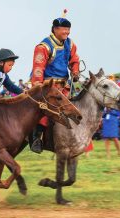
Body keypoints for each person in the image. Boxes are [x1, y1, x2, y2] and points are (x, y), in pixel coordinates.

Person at [30, 10, 80, 153]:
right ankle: (36, 138)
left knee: (74, 108)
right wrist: (38, 88)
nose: (67, 32)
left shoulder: (70, 44)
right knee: (47, 111)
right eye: (64, 29)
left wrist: (75, 71)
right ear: (55, 29)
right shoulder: (43, 47)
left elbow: (74, 59)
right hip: (47, 86)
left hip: (64, 86)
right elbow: (38, 69)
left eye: (68, 29)